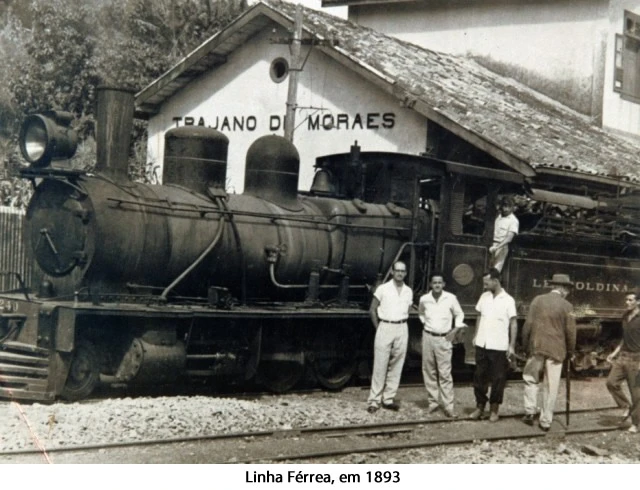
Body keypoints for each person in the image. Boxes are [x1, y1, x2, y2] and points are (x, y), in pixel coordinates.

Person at [521, 274, 576, 431]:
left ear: (553, 287)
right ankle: (545, 421)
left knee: (530, 378)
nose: (568, 292)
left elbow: (528, 324)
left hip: (536, 346)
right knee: (551, 385)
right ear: (563, 289)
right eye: (568, 289)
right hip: (556, 350)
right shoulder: (568, 307)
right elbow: (571, 332)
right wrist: (571, 351)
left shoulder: (537, 300)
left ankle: (529, 412)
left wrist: (526, 345)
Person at [469, 268, 517, 422]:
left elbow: (513, 324)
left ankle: (494, 410)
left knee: (498, 379)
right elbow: (479, 316)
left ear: (496, 281)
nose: (484, 286)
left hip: (498, 346)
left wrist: (511, 346)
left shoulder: (508, 300)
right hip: (482, 344)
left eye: (486, 282)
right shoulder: (484, 297)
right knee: (479, 377)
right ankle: (480, 407)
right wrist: (476, 335)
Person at [367, 261, 414, 413]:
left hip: (402, 327)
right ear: (392, 272)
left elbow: (407, 309)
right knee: (380, 365)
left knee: (397, 364)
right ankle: (374, 400)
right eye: (397, 271)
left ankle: (388, 399)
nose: (400, 273)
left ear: (405, 273)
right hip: (385, 326)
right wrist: (378, 328)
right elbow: (372, 310)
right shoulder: (383, 288)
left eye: (403, 271)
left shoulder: (408, 291)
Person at [418, 272, 466, 418]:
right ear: (431, 284)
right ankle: (433, 403)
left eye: (440, 282)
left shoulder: (450, 298)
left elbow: (460, 314)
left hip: (444, 339)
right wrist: (425, 322)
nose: (437, 285)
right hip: (428, 337)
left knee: (445, 373)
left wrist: (455, 329)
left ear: (443, 284)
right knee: (429, 370)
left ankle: (448, 406)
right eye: (434, 282)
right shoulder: (424, 299)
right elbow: (421, 312)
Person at [605, 290, 640, 433]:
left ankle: (636, 424)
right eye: (626, 300)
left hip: (636, 359)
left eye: (631, 300)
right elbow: (625, 338)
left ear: (638, 302)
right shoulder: (625, 316)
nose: (627, 302)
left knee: (636, 394)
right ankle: (626, 406)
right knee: (611, 383)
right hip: (622, 357)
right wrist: (614, 354)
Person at [489, 196, 519, 272]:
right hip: (491, 244)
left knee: (494, 271)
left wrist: (497, 247)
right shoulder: (498, 216)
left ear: (512, 208)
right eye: (504, 206)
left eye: (508, 206)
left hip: (501, 247)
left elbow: (509, 239)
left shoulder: (513, 221)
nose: (506, 209)